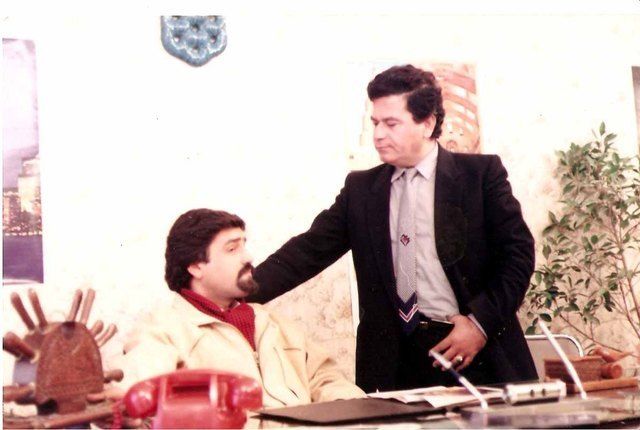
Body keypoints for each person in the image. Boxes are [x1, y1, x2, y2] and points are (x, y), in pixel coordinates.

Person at [251, 65, 537, 392]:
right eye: (375, 123)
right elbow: (306, 252)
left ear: (427, 123)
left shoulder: (480, 175)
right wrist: (236, 294)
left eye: (391, 124)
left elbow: (518, 256)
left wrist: (479, 324)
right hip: (395, 362)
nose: (378, 135)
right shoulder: (361, 190)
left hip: (476, 353)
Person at [113, 209, 364, 407]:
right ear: (196, 266)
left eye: (244, 245)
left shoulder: (272, 322)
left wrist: (356, 410)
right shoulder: (163, 331)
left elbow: (325, 378)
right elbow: (135, 395)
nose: (248, 257)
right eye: (232, 249)